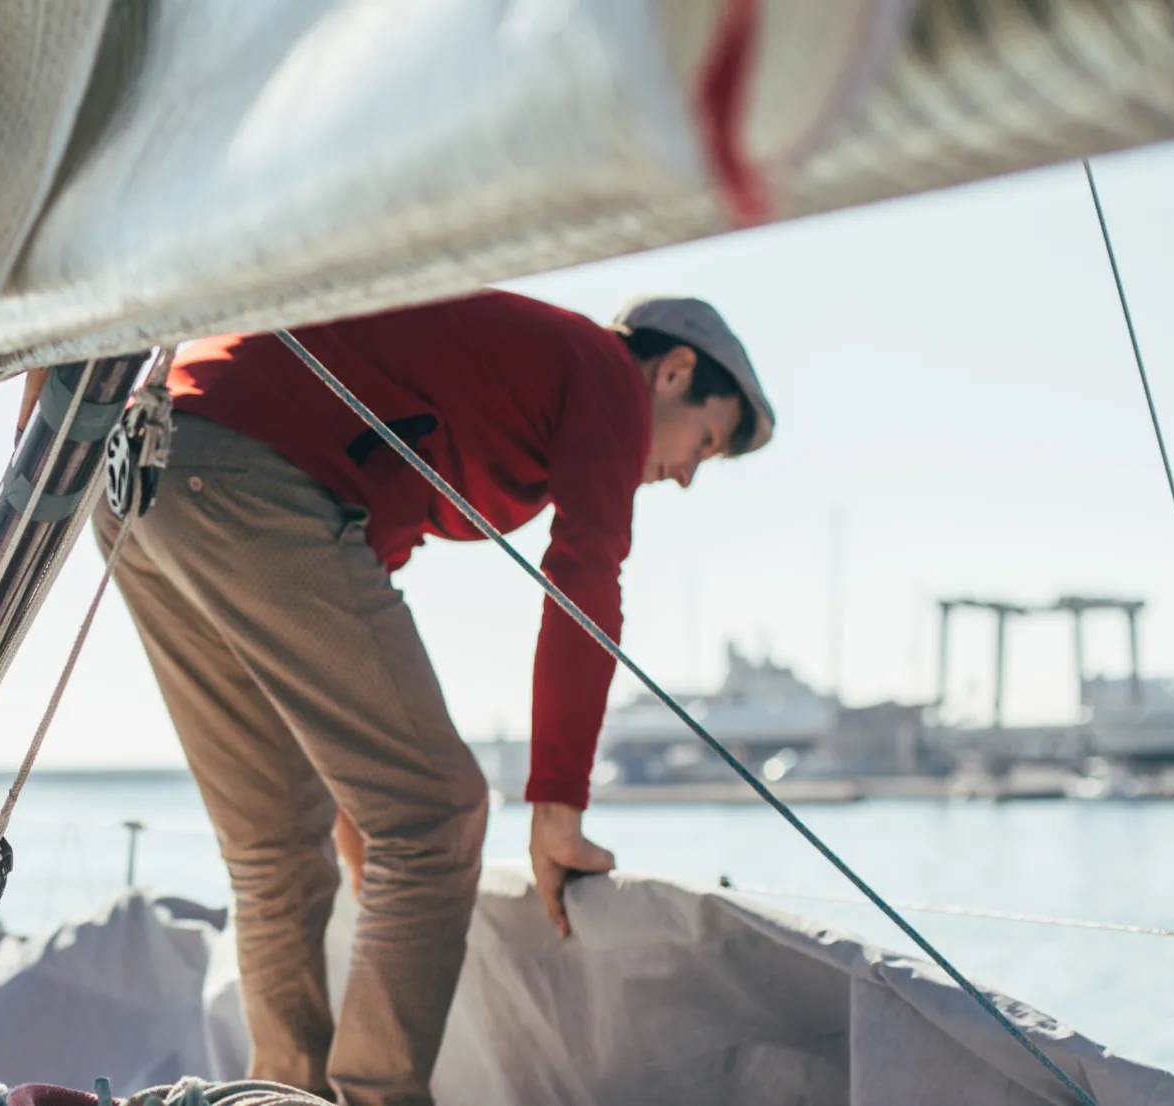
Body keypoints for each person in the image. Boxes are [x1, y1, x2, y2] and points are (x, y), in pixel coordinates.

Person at [84, 291, 773, 1105]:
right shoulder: (607, 373)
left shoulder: (504, 374)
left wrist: (364, 825)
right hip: (242, 471)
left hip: (146, 478)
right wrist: (558, 809)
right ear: (675, 372)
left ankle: (279, 1097)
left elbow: (349, 592)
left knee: (275, 847)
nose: (687, 476)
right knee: (438, 814)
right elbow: (586, 580)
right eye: (706, 442)